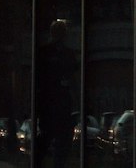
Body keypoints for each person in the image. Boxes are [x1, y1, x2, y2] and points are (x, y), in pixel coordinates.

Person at [37, 18, 76, 168]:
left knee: (63, 138)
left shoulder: (68, 54)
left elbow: (72, 79)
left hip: (61, 102)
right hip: (49, 101)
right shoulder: (45, 52)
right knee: (47, 136)